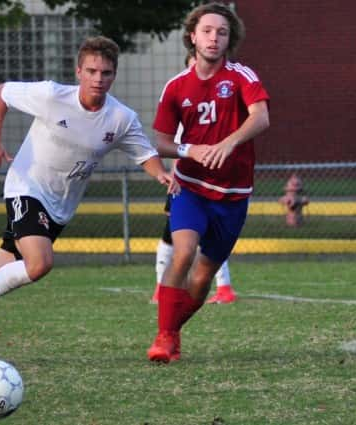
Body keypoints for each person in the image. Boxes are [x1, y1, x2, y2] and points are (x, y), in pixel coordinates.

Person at [0, 35, 175, 367]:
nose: (98, 79)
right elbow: (2, 92)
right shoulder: (52, 95)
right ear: (78, 71)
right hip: (26, 188)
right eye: (91, 70)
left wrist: (160, 175)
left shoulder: (120, 118)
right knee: (39, 263)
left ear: (113, 76)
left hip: (59, 208)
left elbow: (145, 154)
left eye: (105, 73)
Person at [147, 2, 270, 363]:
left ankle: (170, 332)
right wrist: (191, 150)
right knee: (182, 252)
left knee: (202, 279)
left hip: (232, 197)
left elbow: (261, 117)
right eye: (207, 31)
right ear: (192, 36)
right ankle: (164, 338)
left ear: (229, 39)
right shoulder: (175, 87)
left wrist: (229, 142)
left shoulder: (241, 77)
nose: (213, 38)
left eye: (221, 32)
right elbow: (161, 141)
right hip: (191, 189)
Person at [151, 52, 237, 305]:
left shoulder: (219, 102)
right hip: (185, 182)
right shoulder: (180, 96)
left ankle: (166, 290)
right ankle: (168, 290)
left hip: (203, 185)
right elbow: (171, 145)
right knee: (180, 240)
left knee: (190, 241)